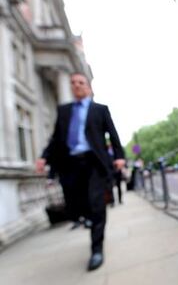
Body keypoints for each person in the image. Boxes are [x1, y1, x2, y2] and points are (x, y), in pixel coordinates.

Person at [36, 72, 125, 271]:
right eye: (73, 83)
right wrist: (44, 156)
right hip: (70, 165)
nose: (77, 85)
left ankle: (96, 249)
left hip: (94, 163)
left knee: (96, 205)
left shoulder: (100, 110)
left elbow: (113, 135)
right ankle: (86, 218)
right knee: (76, 206)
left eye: (81, 82)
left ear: (88, 87)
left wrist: (119, 156)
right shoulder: (64, 110)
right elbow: (56, 138)